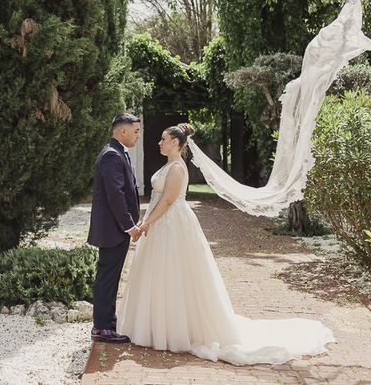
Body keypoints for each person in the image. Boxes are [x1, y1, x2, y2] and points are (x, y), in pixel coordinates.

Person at [117, 123, 336, 365]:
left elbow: (168, 200)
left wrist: (146, 223)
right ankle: (154, 325)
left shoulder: (177, 168)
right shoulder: (169, 165)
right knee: (159, 273)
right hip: (161, 223)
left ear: (176, 144)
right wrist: (146, 220)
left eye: (164, 139)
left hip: (172, 225)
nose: (159, 142)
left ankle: (174, 330)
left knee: (174, 273)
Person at [87, 113, 142, 343]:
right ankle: (101, 327)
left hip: (115, 229)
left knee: (111, 275)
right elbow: (115, 195)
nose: (138, 135)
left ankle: (108, 321)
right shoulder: (111, 155)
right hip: (113, 229)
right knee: (107, 277)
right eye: (136, 131)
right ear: (123, 131)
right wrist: (129, 226)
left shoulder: (118, 152)